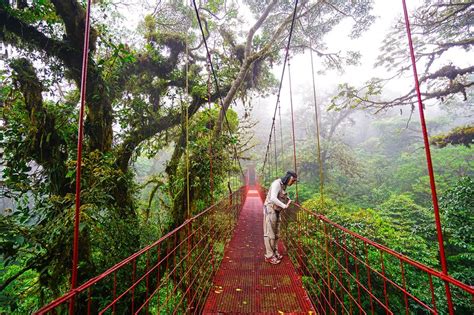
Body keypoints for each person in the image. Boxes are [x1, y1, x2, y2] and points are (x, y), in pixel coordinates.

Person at [263, 170, 297, 264]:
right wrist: (284, 205)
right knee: (270, 233)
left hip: (277, 210)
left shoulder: (283, 185)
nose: (293, 183)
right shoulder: (276, 184)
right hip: (270, 209)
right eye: (293, 180)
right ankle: (269, 256)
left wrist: (287, 199)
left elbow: (279, 195)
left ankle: (274, 252)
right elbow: (273, 198)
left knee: (276, 233)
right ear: (289, 178)